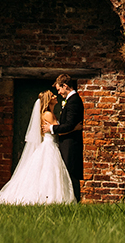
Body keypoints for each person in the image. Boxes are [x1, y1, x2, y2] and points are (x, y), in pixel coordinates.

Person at [0, 90, 75, 204]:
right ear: (48, 100)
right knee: (50, 173)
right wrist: (75, 128)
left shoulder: (49, 114)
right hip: (49, 146)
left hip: (51, 144)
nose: (55, 96)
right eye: (52, 95)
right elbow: (59, 131)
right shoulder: (48, 114)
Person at [51, 74, 84, 202]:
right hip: (67, 143)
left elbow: (69, 125)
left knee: (71, 173)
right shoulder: (71, 101)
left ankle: (74, 200)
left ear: (65, 86)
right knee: (68, 173)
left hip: (71, 144)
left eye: (59, 89)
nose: (59, 93)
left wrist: (52, 128)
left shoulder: (74, 101)